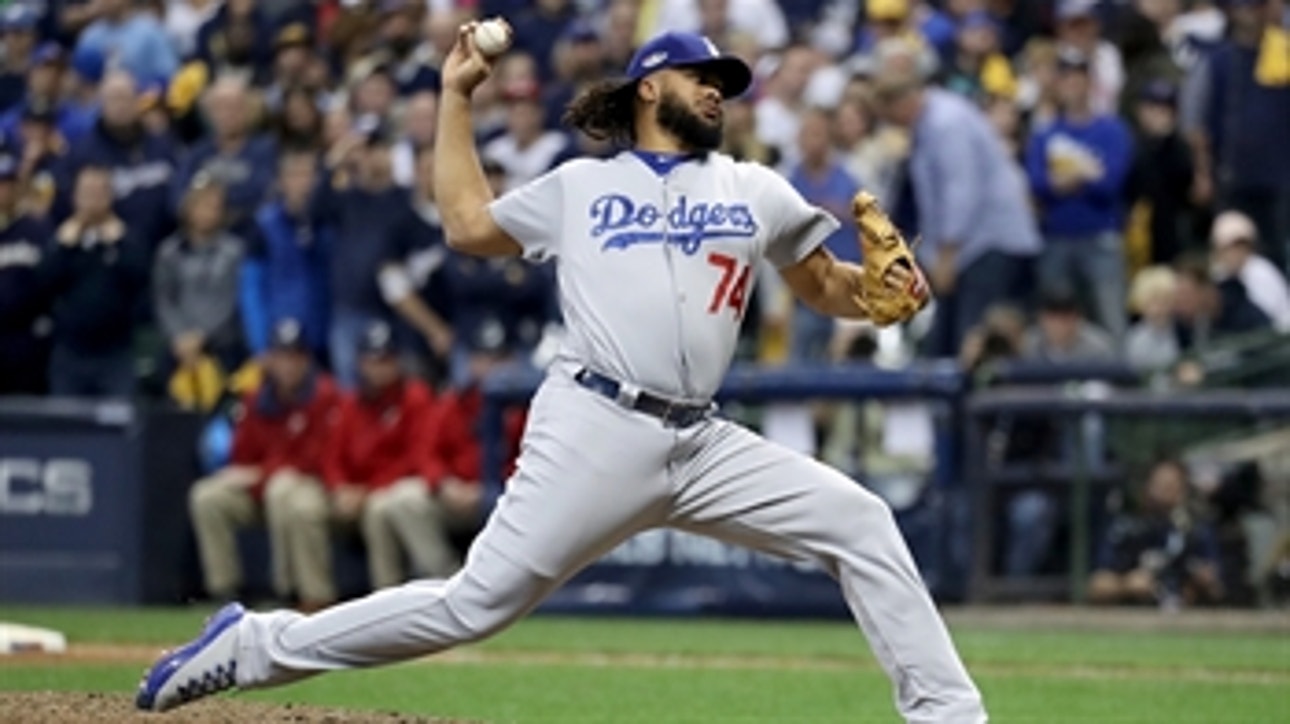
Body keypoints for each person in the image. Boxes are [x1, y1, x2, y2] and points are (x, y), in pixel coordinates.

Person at [137, 28, 984, 723]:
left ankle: (949, 715)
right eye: (701, 77)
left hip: (704, 438)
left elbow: (825, 284)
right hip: (597, 426)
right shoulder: (581, 184)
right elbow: (467, 225)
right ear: (650, 89)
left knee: (862, 522)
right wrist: (457, 96)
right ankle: (252, 646)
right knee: (474, 606)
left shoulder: (754, 188)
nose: (718, 91)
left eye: (724, 82)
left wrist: (877, 300)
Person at [187, 318, 341, 610]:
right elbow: (242, 456)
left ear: (306, 359)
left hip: (311, 486)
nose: (288, 365)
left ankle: (298, 593)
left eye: (295, 357)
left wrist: (261, 473)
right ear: (269, 359)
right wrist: (258, 475)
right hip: (263, 489)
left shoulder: (325, 395)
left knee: (282, 490)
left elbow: (315, 459)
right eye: (281, 356)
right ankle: (224, 592)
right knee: (207, 495)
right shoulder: (258, 398)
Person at [323, 321, 445, 590]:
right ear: (360, 363)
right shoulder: (350, 403)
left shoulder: (415, 397)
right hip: (355, 493)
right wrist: (340, 489)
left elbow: (416, 457)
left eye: (386, 360)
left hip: (397, 487)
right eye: (372, 360)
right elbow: (332, 458)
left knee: (380, 508)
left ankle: (396, 590)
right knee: (303, 505)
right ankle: (314, 594)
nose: (379, 368)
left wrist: (366, 490)